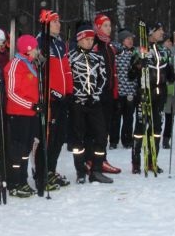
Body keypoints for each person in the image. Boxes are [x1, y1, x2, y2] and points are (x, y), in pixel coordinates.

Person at [68, 25, 112, 184]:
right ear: (79, 40)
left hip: (94, 102)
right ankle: (80, 171)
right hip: (78, 103)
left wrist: (96, 94)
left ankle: (97, 170)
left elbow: (103, 78)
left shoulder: (98, 56)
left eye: (91, 39)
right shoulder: (71, 56)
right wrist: (76, 95)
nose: (89, 42)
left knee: (101, 135)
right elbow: (67, 79)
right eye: (86, 40)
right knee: (78, 139)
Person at [128, 22, 173, 174]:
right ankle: (136, 161)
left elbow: (169, 71)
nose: (162, 32)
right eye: (159, 30)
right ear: (151, 33)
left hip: (160, 94)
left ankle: (152, 160)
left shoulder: (163, 50)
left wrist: (172, 74)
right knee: (140, 127)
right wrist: (138, 65)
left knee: (157, 128)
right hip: (144, 92)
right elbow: (130, 75)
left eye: (162, 29)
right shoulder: (139, 50)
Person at [35, 10, 73, 188]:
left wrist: (69, 92)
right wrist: (50, 93)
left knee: (59, 138)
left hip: (62, 99)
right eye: (55, 22)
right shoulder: (40, 42)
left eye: (59, 21)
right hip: (50, 100)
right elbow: (39, 73)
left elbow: (66, 69)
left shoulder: (59, 44)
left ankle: (51, 170)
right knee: (48, 138)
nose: (59, 24)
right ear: (46, 24)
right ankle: (42, 174)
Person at [4, 35, 41, 197]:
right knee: (17, 150)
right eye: (35, 48)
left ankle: (23, 180)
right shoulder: (15, 65)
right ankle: (14, 183)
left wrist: (37, 103)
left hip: (30, 114)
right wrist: (31, 105)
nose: (37, 51)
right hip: (18, 114)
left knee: (26, 149)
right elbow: (12, 93)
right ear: (27, 49)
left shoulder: (30, 64)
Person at [90, 14, 121, 174]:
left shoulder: (109, 47)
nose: (109, 28)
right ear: (98, 27)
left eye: (110, 25)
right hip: (97, 95)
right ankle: (95, 161)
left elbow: (113, 72)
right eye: (105, 25)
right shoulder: (95, 45)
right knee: (98, 131)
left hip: (109, 94)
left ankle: (101, 159)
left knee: (105, 130)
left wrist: (115, 94)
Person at [112, 29, 138, 149]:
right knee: (116, 118)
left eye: (132, 39)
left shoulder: (135, 53)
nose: (130, 41)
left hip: (131, 92)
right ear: (122, 40)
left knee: (129, 117)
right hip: (119, 92)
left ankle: (127, 140)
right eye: (128, 39)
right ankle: (113, 140)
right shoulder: (116, 53)